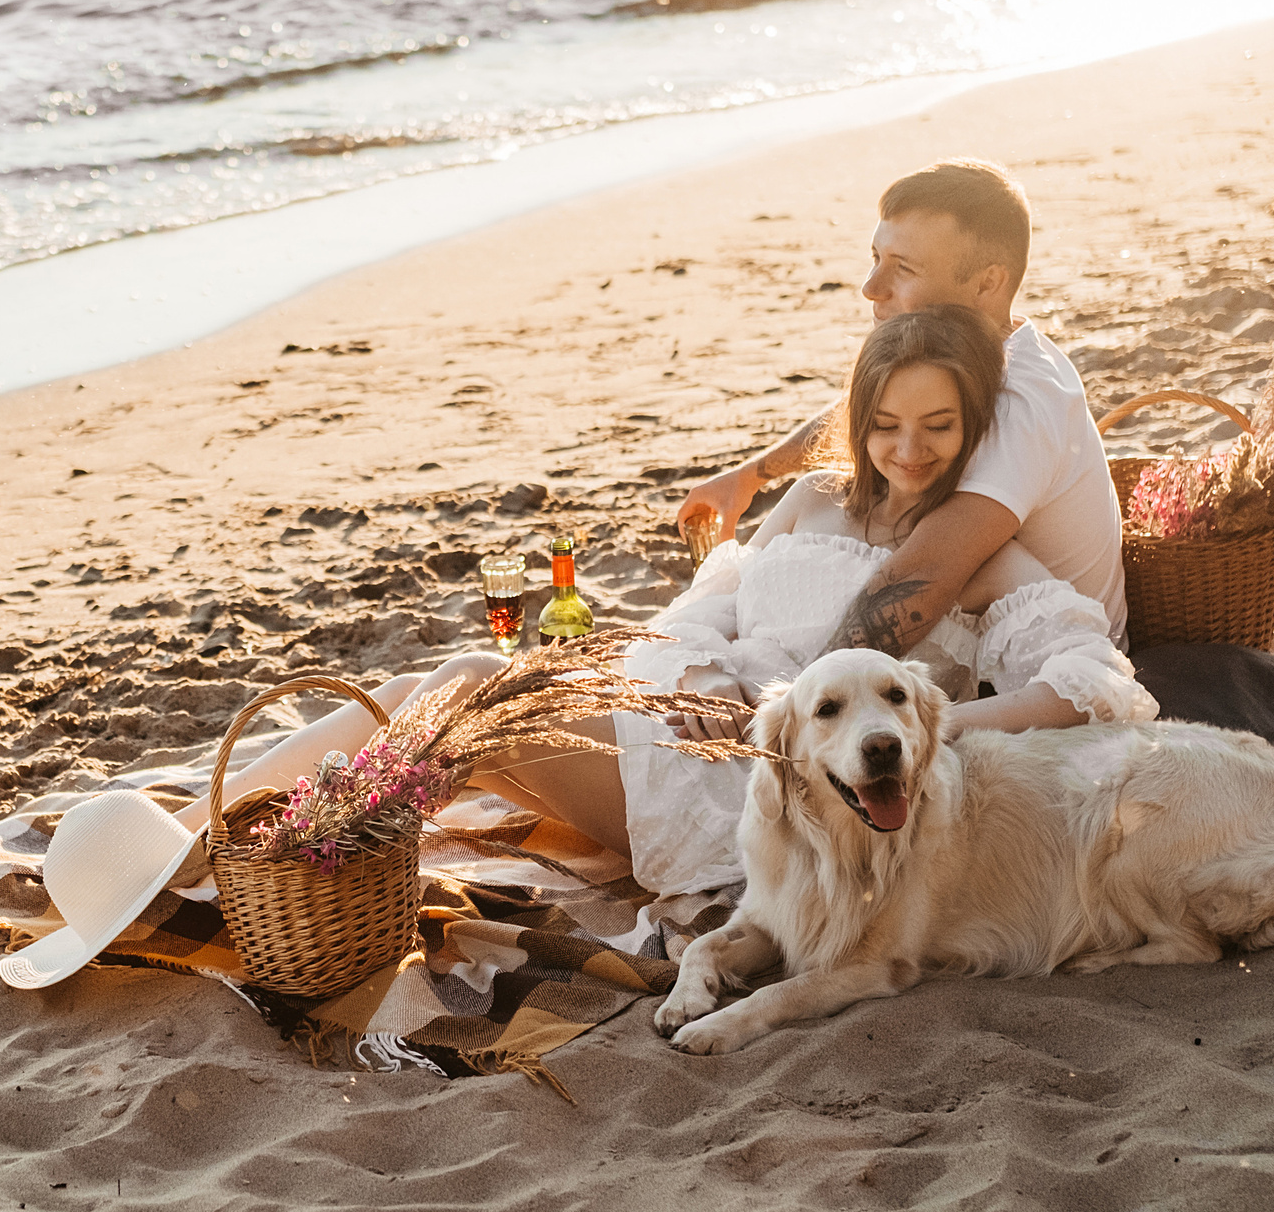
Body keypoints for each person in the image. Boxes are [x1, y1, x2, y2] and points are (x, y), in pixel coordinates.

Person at [175, 307, 1154, 901]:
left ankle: (231, 849)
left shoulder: (968, 551)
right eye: (886, 424)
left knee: (473, 691)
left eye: (939, 426)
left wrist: (924, 733)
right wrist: (687, 673)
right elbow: (705, 603)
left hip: (768, 788)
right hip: (684, 710)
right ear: (856, 426)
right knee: (429, 693)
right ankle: (216, 827)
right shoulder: (814, 498)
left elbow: (1088, 681)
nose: (909, 450)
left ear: (972, 426)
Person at [678, 159, 1127, 652]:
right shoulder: (968, 356)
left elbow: (923, 577)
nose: (871, 287)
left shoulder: (1019, 402)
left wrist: (800, 713)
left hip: (1032, 666)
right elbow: (866, 409)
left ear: (986, 283)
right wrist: (752, 475)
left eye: (903, 269)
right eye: (875, 257)